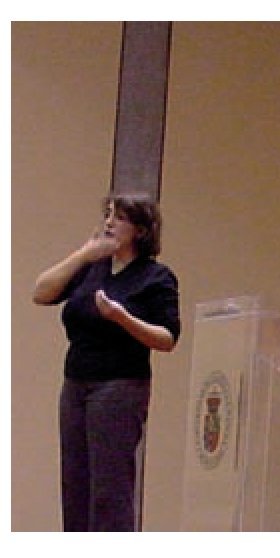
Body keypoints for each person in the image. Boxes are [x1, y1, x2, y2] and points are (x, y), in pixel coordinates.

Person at [32, 192, 181, 531]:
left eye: (120, 217)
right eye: (108, 214)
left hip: (120, 386)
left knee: (109, 488)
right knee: (75, 483)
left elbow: (167, 338)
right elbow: (41, 292)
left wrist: (121, 318)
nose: (110, 222)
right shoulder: (92, 268)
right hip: (76, 383)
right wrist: (85, 253)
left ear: (141, 230)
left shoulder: (155, 277)